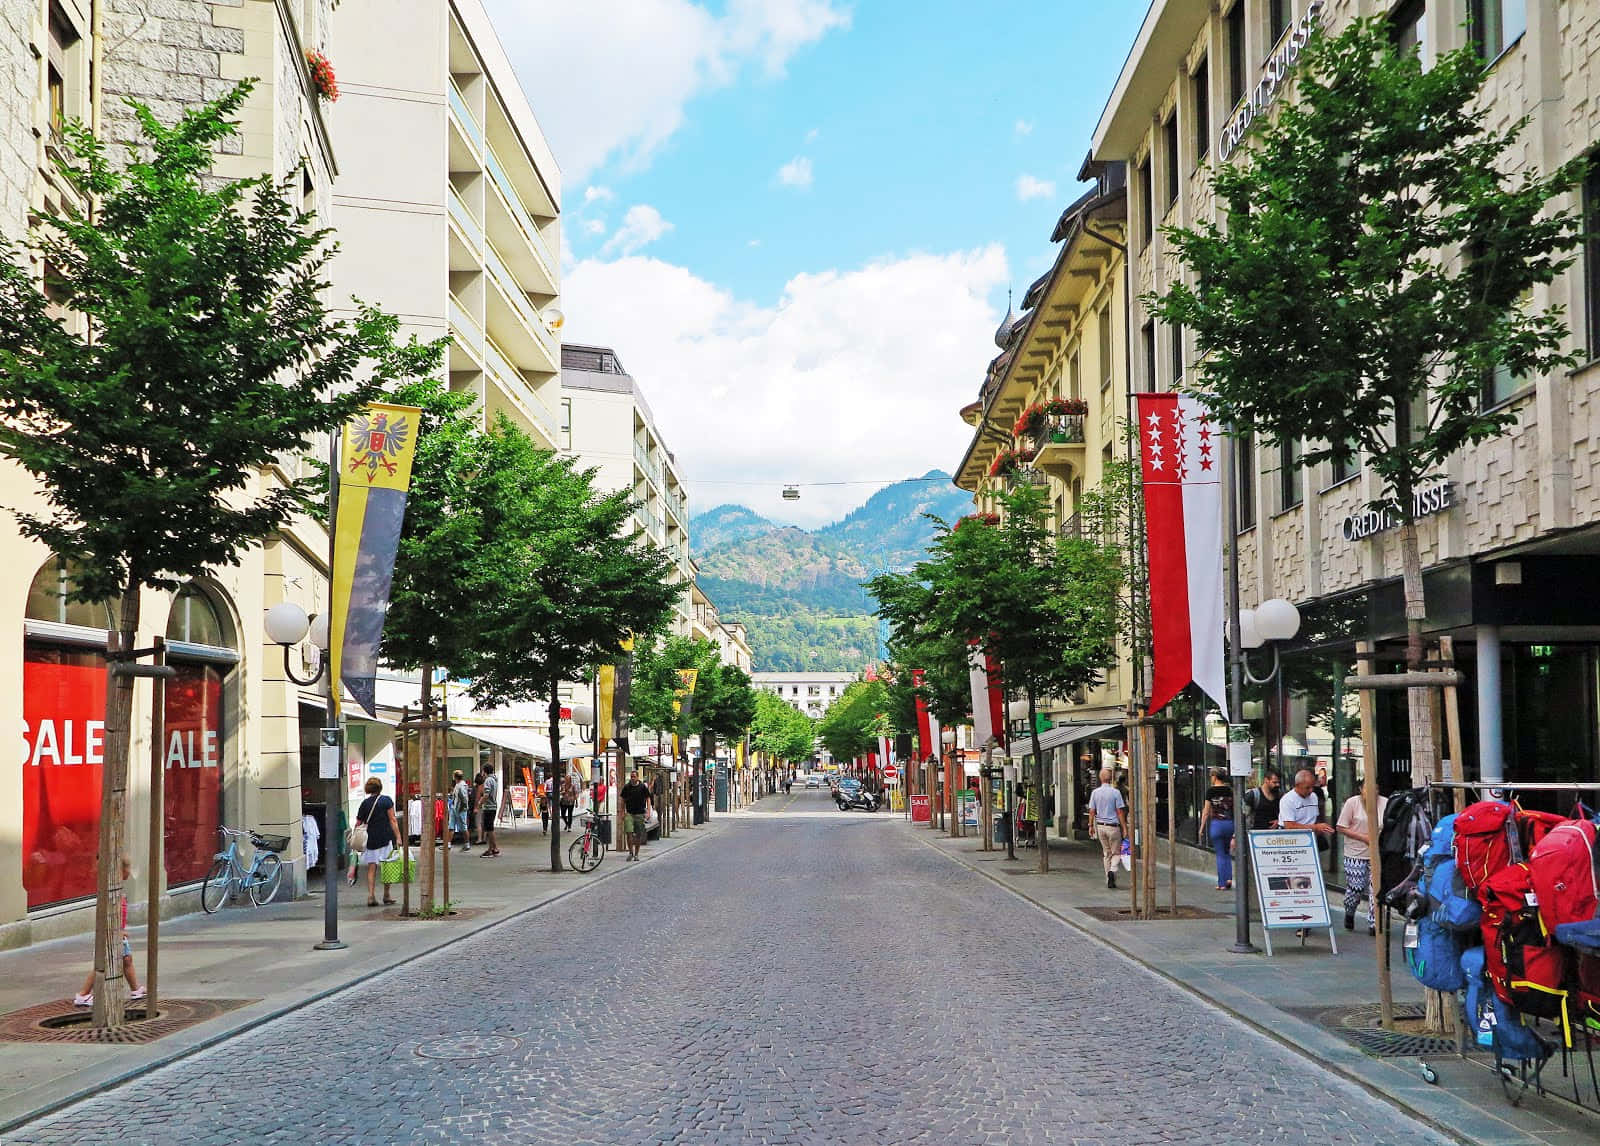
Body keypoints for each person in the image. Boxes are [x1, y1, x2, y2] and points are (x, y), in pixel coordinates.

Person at [74, 857, 145, 1007]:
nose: (129, 872)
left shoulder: (116, 888)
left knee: (127, 960)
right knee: (102, 964)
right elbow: (107, 914)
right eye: (127, 868)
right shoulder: (111, 890)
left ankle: (135, 989)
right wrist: (116, 931)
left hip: (117, 932)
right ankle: (83, 994)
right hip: (111, 933)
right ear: (119, 871)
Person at [1336, 778, 1387, 935]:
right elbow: (1341, 827)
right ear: (1361, 789)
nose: (1373, 792)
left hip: (1376, 853)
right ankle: (1350, 910)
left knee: (1375, 889)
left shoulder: (1385, 803)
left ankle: (1374, 923)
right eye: (1369, 788)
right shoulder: (1352, 803)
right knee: (1356, 888)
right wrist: (1363, 838)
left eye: (1376, 788)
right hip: (1355, 852)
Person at [349, 777, 400, 907]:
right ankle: (386, 895)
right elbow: (392, 819)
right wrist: (398, 836)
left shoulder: (365, 803)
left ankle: (371, 896)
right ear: (380, 787)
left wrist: (356, 836)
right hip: (385, 837)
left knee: (372, 868)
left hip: (370, 839)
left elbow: (358, 822)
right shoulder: (386, 801)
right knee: (387, 867)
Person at [1088, 767, 1128, 890]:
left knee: (1106, 853)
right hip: (1113, 827)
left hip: (1101, 826)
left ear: (1100, 779)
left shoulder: (1095, 793)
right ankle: (1113, 870)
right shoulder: (1115, 792)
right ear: (1110, 779)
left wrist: (1090, 826)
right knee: (1116, 853)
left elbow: (1092, 811)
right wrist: (1124, 827)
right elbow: (1120, 811)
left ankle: (1108, 879)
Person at [1196, 769, 1236, 891]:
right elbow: (1235, 809)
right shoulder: (1230, 790)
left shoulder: (1211, 791)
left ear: (1215, 777)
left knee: (1220, 854)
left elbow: (1206, 811)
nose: (1210, 778)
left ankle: (1222, 883)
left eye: (1211, 776)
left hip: (1217, 825)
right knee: (1227, 852)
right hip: (1230, 824)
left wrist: (1201, 827)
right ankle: (1229, 878)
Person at [620, 769, 653, 861]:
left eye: (634, 776)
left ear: (638, 777)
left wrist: (648, 811)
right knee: (629, 832)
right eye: (631, 777)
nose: (632, 778)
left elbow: (648, 799)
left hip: (639, 813)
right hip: (629, 813)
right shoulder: (627, 787)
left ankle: (636, 854)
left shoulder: (643, 787)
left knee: (638, 835)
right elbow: (623, 800)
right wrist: (622, 812)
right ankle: (630, 852)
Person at [478, 764, 501, 857]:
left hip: (489, 807)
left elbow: (486, 794)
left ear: (485, 771)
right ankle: (493, 848)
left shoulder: (488, 780)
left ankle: (493, 848)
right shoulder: (494, 780)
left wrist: (480, 803)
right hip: (493, 806)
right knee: (489, 828)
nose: (482, 773)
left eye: (483, 771)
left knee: (489, 829)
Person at [449, 769, 471, 851]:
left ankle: (467, 843)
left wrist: (462, 808)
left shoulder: (461, 786)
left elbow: (464, 799)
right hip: (455, 808)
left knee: (463, 827)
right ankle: (448, 843)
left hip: (459, 809)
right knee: (451, 825)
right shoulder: (458, 785)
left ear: (455, 777)